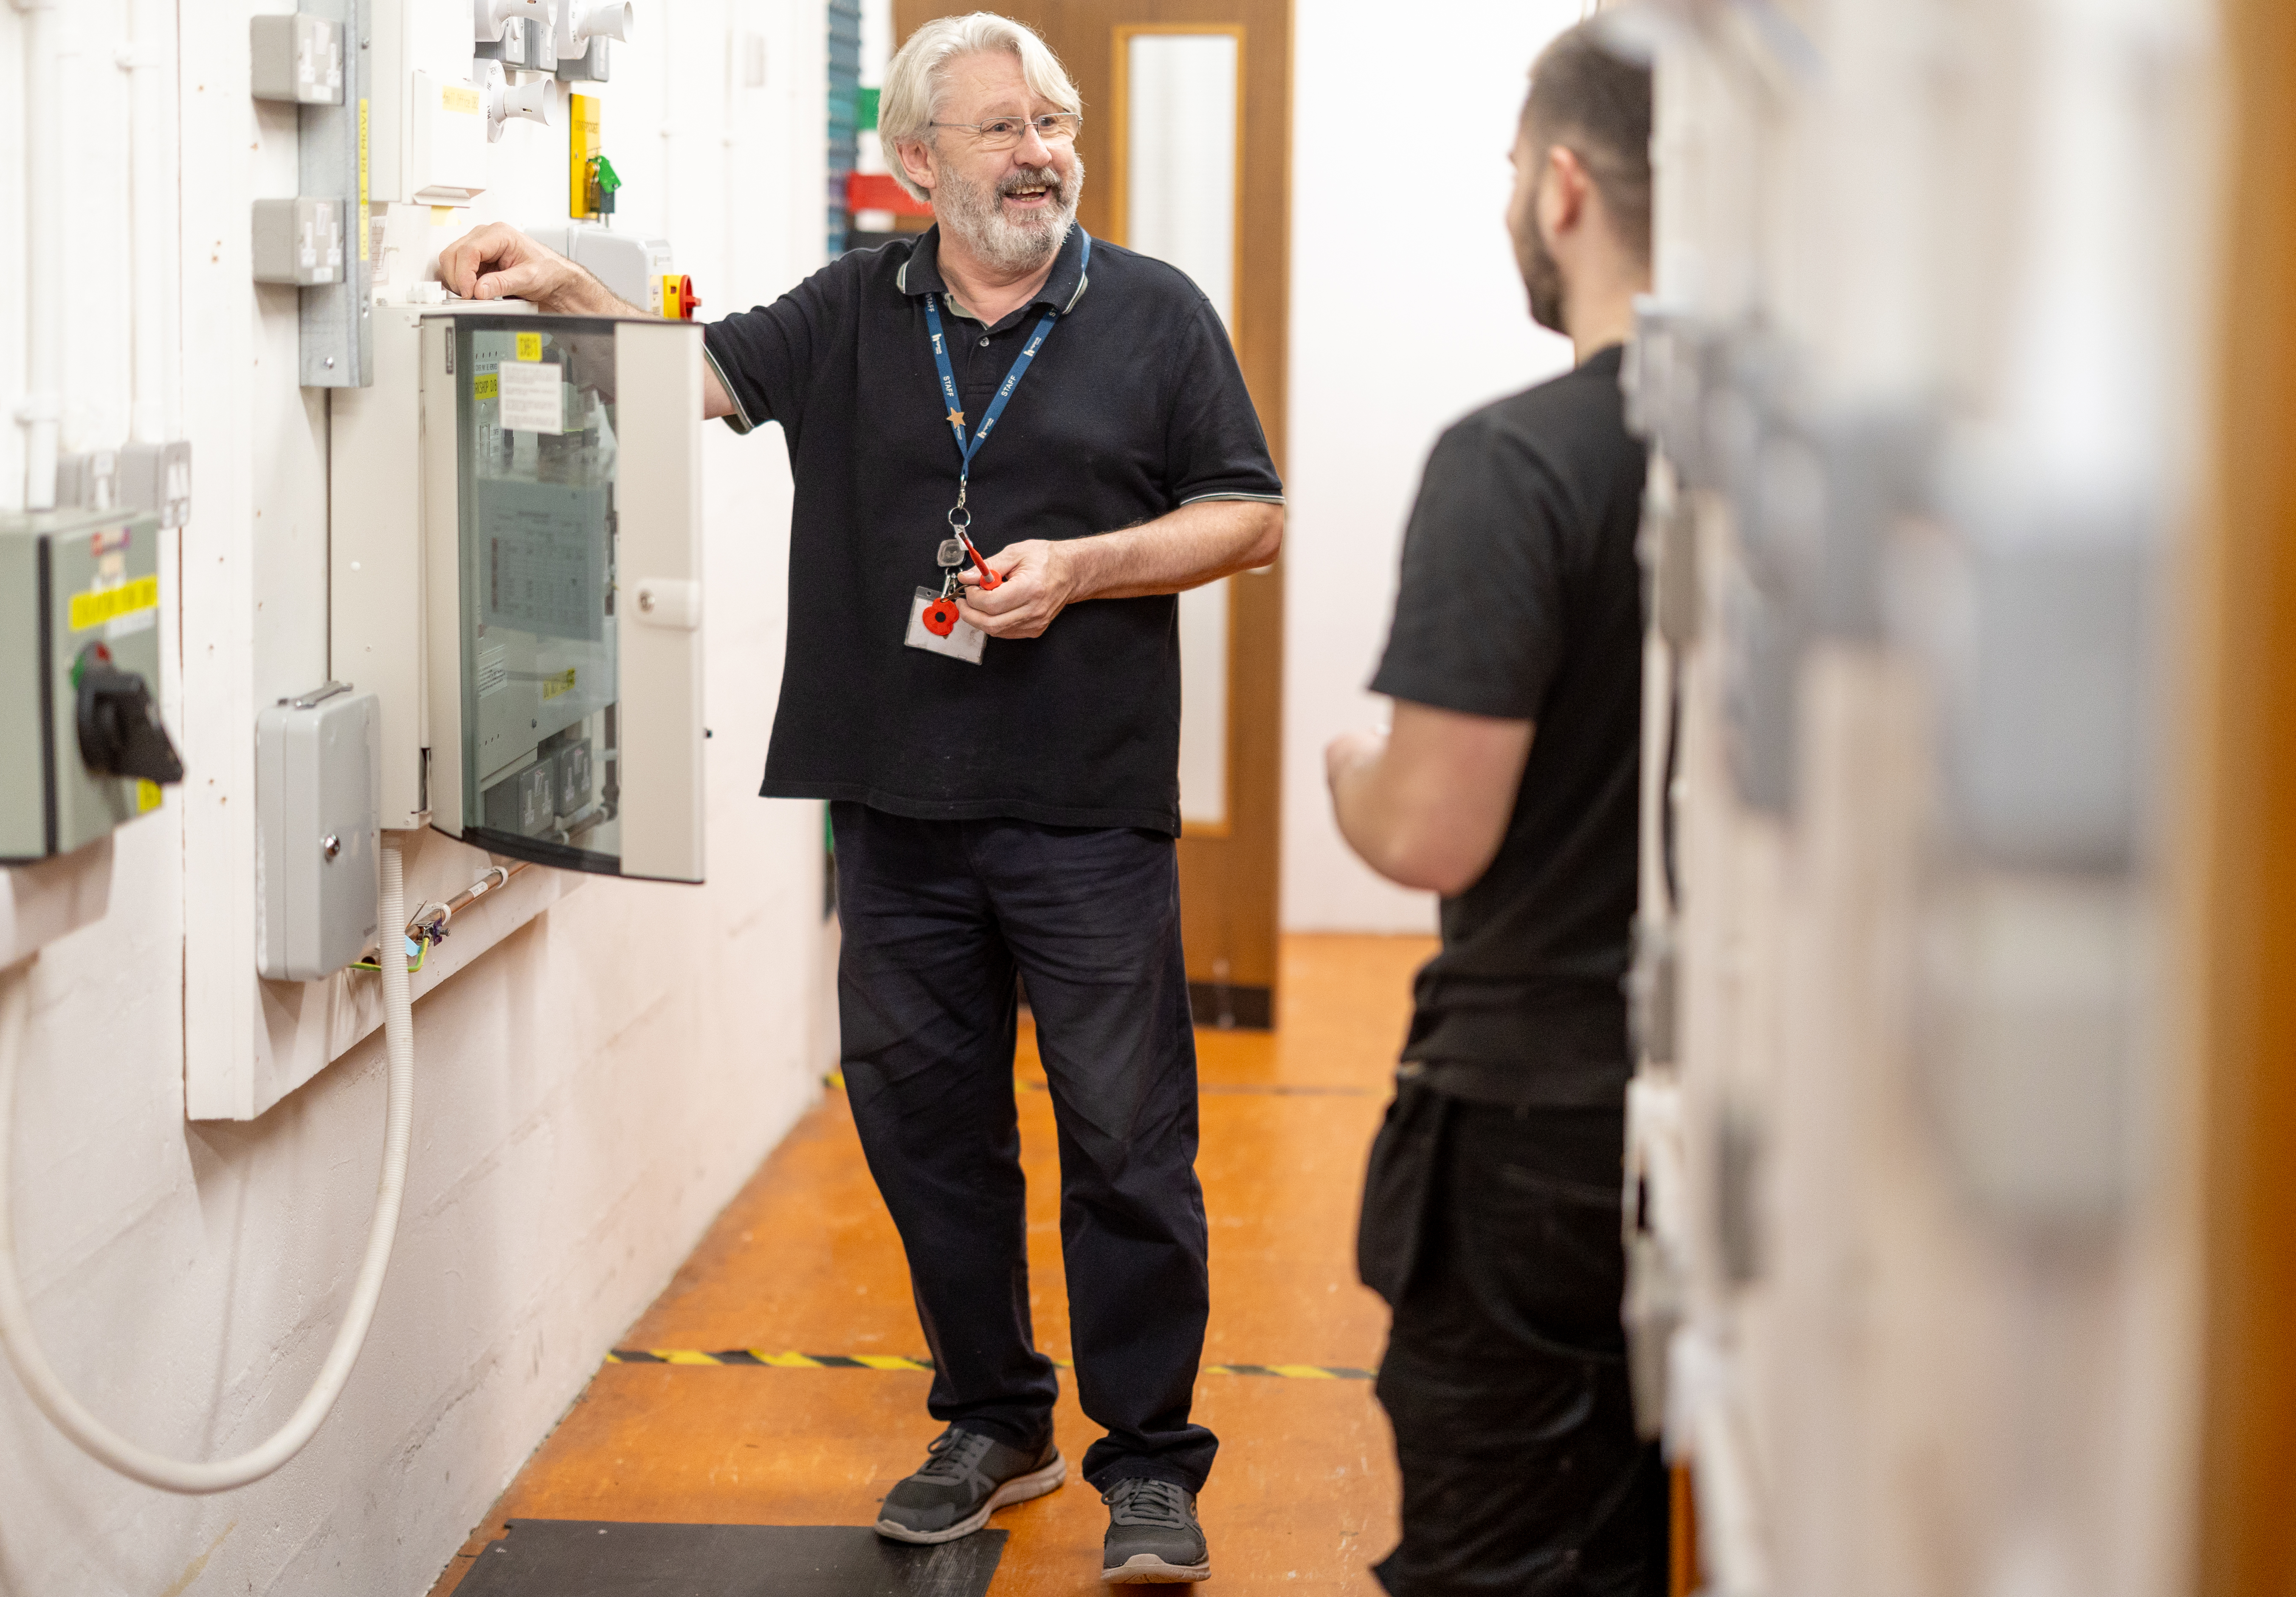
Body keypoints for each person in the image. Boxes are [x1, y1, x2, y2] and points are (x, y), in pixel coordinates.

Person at [439, 12, 1282, 1585]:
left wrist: (1087, 571)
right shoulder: (852, 310)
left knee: (1125, 1140)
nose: (1043, 151)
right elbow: (689, 377)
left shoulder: (1153, 314)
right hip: (895, 812)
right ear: (914, 165)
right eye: (1003, 128)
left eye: (1056, 122)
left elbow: (1247, 515)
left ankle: (1149, 1460)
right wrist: (562, 288)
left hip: (1087, 813)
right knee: (921, 1134)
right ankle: (993, 1416)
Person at [1324, 21, 1668, 1596]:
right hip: (1738, 1114)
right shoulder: (1765, 455)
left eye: (1515, 170)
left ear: (1566, 188)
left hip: (1540, 1125)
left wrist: (1348, 780)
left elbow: (1429, 831)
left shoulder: (1513, 465)